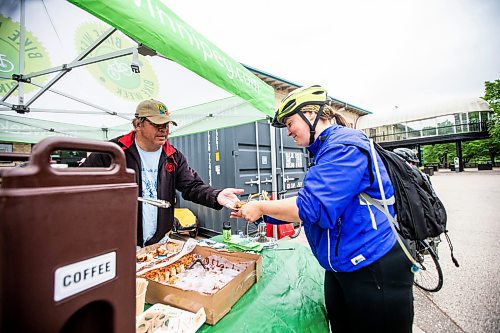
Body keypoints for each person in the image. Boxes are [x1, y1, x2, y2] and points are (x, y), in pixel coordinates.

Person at [232, 86, 414, 332]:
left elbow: (313, 207)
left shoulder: (345, 146)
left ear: (311, 114)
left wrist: (261, 206)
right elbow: (316, 208)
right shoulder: (323, 151)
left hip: (372, 266)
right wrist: (260, 212)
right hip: (341, 266)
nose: (288, 132)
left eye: (290, 122)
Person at [82, 99, 243, 247]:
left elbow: (192, 186)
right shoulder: (113, 151)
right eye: (157, 125)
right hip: (120, 240)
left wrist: (216, 195)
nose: (163, 130)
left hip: (160, 241)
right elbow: (81, 185)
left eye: (166, 125)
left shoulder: (173, 156)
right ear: (138, 124)